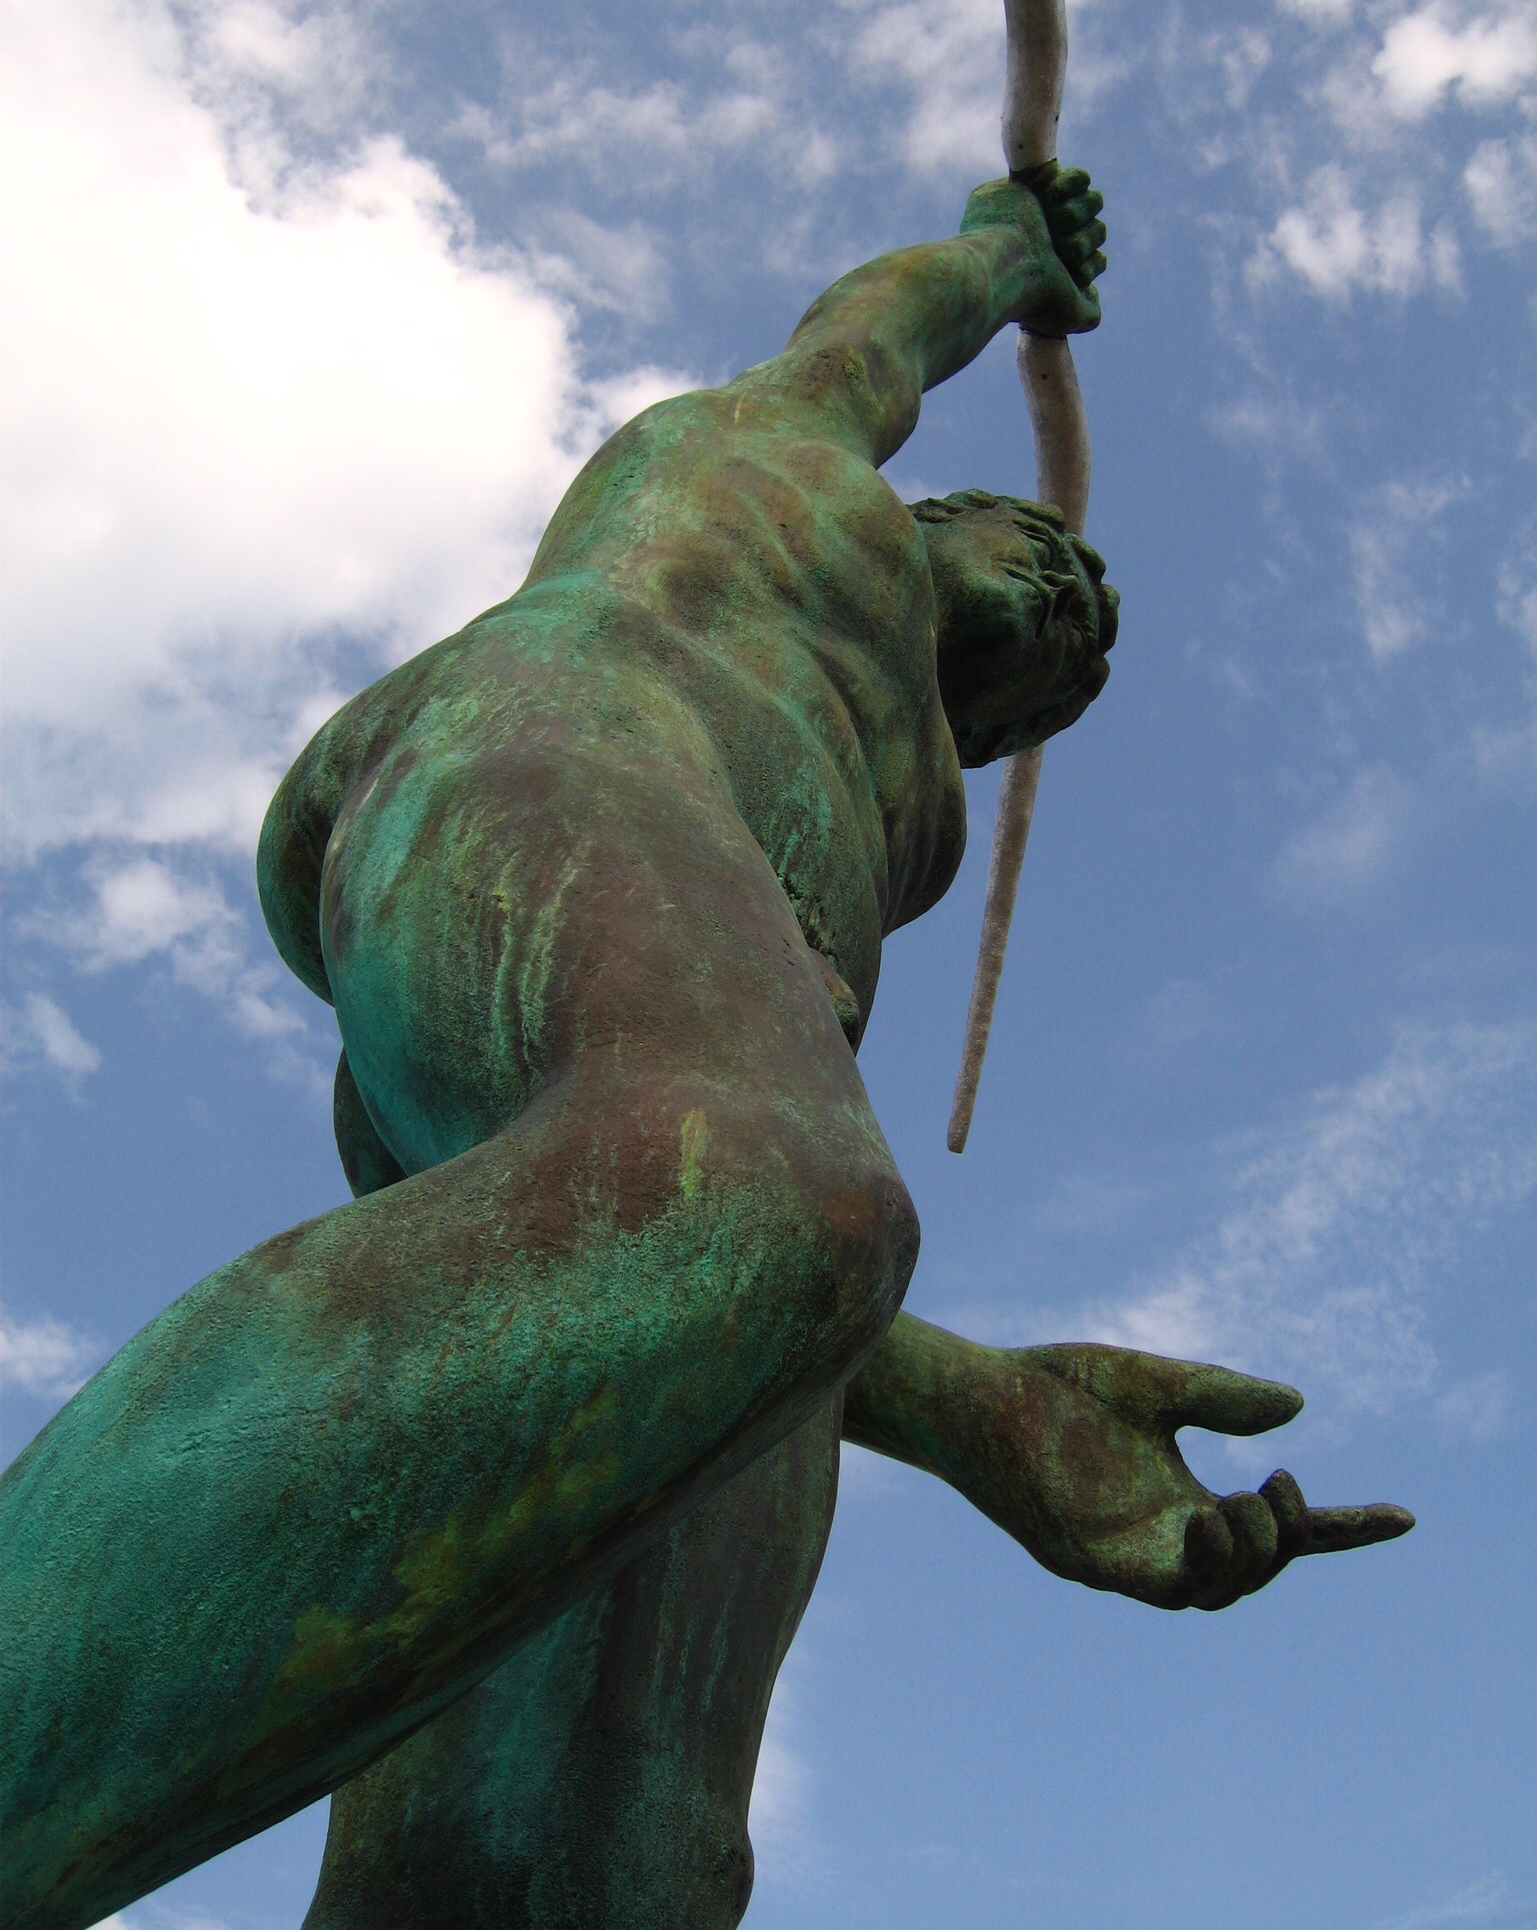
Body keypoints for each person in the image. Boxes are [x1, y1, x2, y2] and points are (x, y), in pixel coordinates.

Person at [0, 167, 1410, 1930]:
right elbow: (868, 334)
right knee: (767, 1186)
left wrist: (989, 1411)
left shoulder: (895, 836)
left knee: (614, 1836)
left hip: (656, 1088)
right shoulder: (784, 478)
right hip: (564, 744)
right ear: (943, 513)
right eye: (1043, 555)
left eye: (1073, 674)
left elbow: (666, 1244)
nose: (1076, 608)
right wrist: (1002, 256)